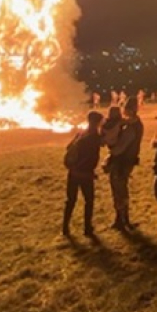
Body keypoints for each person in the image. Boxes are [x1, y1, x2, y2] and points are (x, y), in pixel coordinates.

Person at [64, 111, 105, 237]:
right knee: (89, 201)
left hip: (73, 172)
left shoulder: (81, 133)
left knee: (71, 200)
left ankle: (65, 227)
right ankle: (87, 227)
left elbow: (68, 147)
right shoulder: (95, 137)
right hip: (85, 174)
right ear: (97, 122)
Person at [106, 97, 143, 231]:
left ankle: (123, 219)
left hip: (122, 162)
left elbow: (121, 147)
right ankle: (121, 218)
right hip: (126, 160)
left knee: (119, 190)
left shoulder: (131, 127)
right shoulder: (132, 124)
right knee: (119, 189)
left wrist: (111, 151)